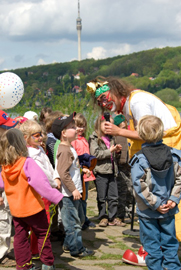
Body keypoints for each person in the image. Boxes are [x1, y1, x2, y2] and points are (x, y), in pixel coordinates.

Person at [86, 76, 181, 240]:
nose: (102, 103)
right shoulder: (128, 103)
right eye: (99, 101)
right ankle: (162, 244)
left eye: (103, 97)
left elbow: (148, 133)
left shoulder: (137, 102)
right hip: (158, 152)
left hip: (166, 150)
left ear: (115, 90)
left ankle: (163, 244)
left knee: (164, 197)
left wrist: (118, 132)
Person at [0, 128, 63, 270]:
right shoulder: (27, 163)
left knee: (19, 238)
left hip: (16, 211)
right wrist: (56, 196)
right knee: (42, 234)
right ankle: (47, 263)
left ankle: (23, 266)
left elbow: (1, 183)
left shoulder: (5, 167)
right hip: (33, 208)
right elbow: (40, 183)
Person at [129, 115, 181, 270]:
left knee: (152, 247)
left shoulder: (139, 159)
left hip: (147, 211)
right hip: (169, 208)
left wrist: (155, 204)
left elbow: (139, 186)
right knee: (170, 244)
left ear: (141, 135)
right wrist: (173, 198)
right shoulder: (175, 155)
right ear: (162, 132)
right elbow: (180, 179)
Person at [52, 112, 95, 258]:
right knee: (73, 224)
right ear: (63, 133)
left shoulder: (69, 148)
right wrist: (74, 189)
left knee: (79, 220)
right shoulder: (64, 150)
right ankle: (77, 249)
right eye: (72, 127)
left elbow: (71, 168)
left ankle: (68, 243)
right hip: (68, 195)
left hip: (73, 193)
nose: (76, 129)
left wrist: (83, 170)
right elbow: (63, 173)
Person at [19, 120, 61, 256]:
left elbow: (49, 166)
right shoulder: (30, 154)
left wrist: (56, 177)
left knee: (46, 221)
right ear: (26, 138)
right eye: (36, 135)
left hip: (48, 189)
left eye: (41, 134)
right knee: (41, 223)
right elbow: (42, 172)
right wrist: (53, 183)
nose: (40, 137)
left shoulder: (40, 149)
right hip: (40, 192)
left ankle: (40, 247)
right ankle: (37, 249)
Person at [89, 114, 125, 227]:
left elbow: (113, 155)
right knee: (101, 197)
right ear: (99, 124)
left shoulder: (111, 137)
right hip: (101, 171)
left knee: (113, 196)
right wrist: (110, 150)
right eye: (105, 124)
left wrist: (117, 152)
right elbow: (95, 154)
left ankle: (112, 217)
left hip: (112, 170)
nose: (108, 127)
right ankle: (103, 217)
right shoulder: (94, 138)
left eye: (110, 125)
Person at [0, 111, 19, 267]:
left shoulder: (4, 144)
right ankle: (1, 253)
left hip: (6, 188)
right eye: (5, 128)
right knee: (3, 221)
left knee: (6, 219)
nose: (9, 131)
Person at [71, 113, 96, 230]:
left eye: (82, 126)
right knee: (80, 198)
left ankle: (84, 217)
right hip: (80, 172)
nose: (80, 129)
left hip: (87, 173)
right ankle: (80, 219)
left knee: (85, 198)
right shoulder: (74, 141)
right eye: (77, 126)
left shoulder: (84, 139)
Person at [114, 114, 133, 222]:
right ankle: (120, 214)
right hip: (120, 166)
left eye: (125, 127)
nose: (124, 129)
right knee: (122, 190)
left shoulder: (130, 135)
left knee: (130, 190)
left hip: (130, 166)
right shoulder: (116, 136)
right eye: (121, 127)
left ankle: (130, 212)